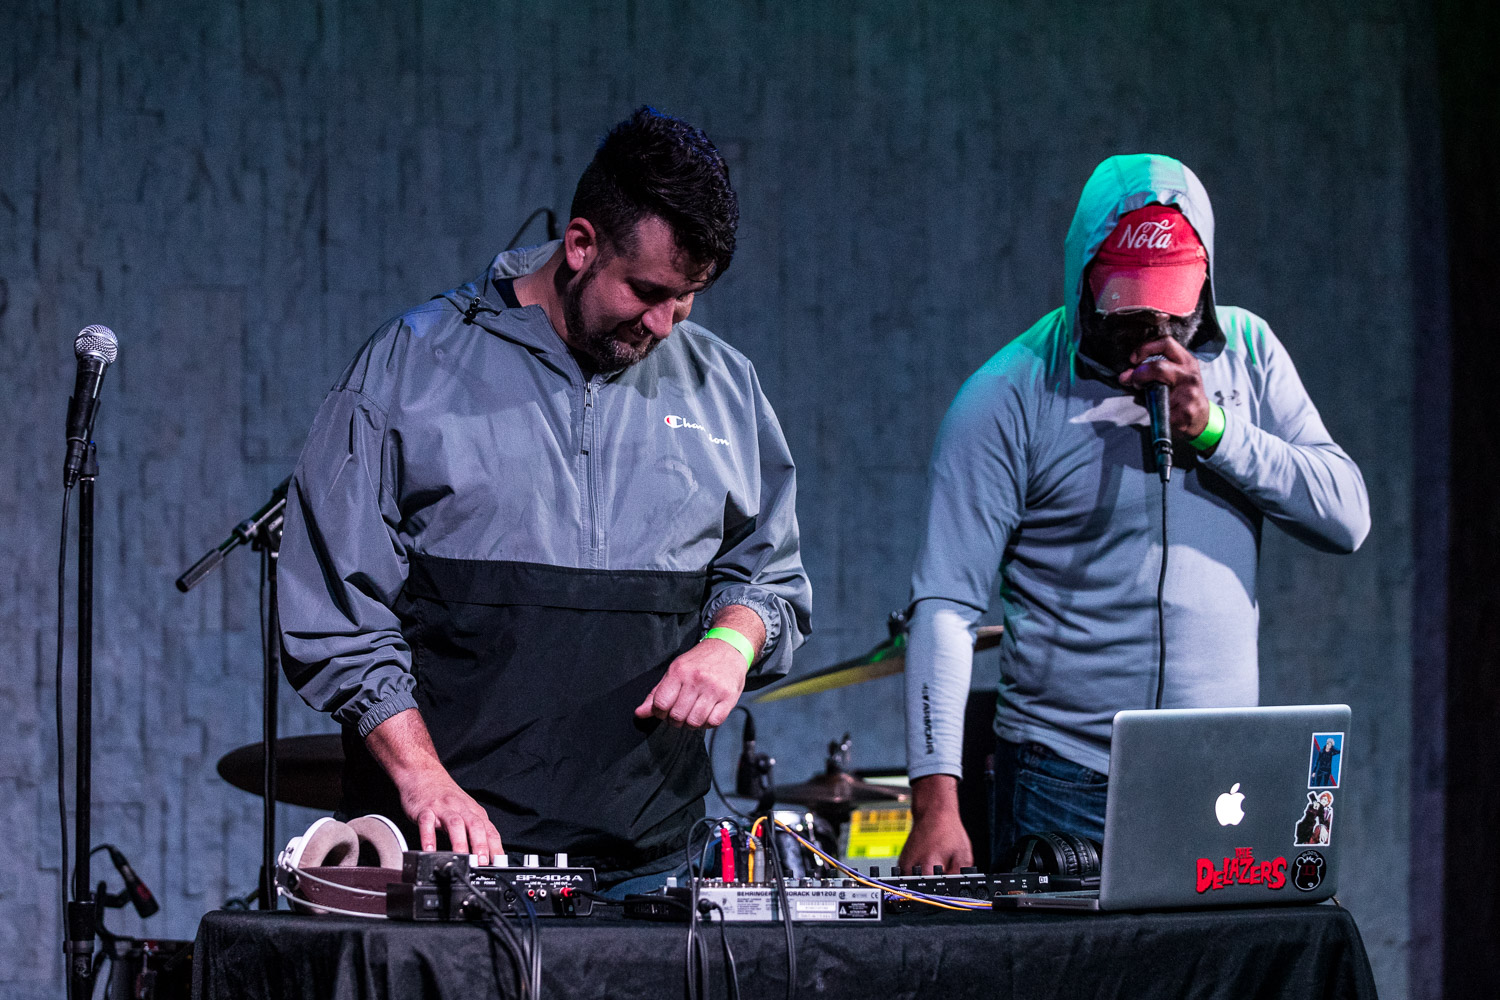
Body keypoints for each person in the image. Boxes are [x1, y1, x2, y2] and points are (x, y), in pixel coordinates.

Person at [277, 107, 811, 891]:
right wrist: (421, 777)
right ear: (582, 244)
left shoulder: (725, 385)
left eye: (689, 297)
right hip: (455, 866)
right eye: (647, 290)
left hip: (656, 869)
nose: (665, 323)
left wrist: (732, 643)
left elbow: (771, 581)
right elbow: (338, 615)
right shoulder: (408, 369)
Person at [898, 154, 1369, 873]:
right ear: (1082, 281)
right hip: (1066, 777)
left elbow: (1346, 515)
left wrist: (1216, 433)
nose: (1153, 328)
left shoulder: (1249, 353)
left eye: (1174, 306)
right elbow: (945, 606)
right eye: (1129, 308)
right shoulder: (1009, 394)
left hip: (1225, 773)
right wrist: (935, 805)